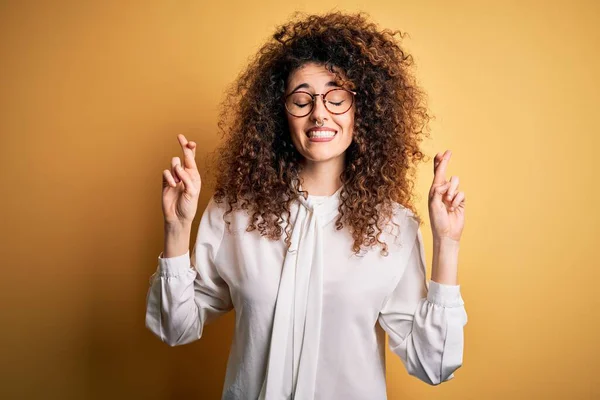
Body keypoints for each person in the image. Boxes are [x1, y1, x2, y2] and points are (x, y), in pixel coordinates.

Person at [146, 11, 467, 400]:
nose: (319, 113)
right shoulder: (234, 213)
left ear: (361, 111)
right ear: (279, 114)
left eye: (337, 97)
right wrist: (177, 228)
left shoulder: (394, 227)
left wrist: (447, 243)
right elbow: (174, 327)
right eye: (301, 99)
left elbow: (433, 364)